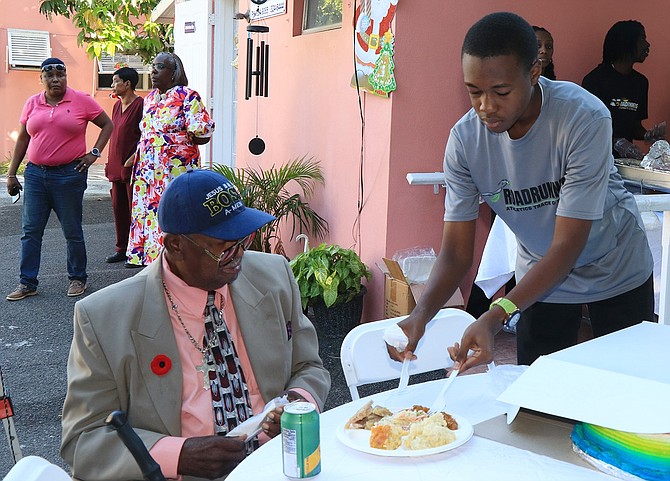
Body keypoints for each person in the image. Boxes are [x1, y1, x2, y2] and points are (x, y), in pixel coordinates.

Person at [387, 12, 654, 373]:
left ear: (533, 73)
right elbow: (456, 252)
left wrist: (495, 315)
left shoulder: (583, 118)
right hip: (541, 283)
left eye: (500, 92)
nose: (486, 107)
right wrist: (421, 314)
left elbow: (567, 246)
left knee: (625, 399)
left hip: (616, 270)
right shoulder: (465, 142)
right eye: (474, 92)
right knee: (538, 405)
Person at [61, 168, 330, 480]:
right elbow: (83, 440)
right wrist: (177, 455)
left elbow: (309, 366)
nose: (239, 256)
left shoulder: (274, 276)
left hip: (278, 463)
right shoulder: (105, 317)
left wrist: (296, 403)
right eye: (224, 248)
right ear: (175, 246)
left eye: (244, 239)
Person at [5, 57, 113, 301]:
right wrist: (12, 173)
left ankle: (77, 278)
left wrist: (93, 153)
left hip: (69, 175)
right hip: (35, 175)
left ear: (66, 76)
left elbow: (107, 124)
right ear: (41, 78)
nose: (56, 79)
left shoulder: (81, 100)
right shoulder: (32, 103)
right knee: (30, 231)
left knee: (72, 230)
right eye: (50, 75)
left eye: (61, 74)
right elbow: (23, 139)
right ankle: (27, 283)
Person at [126, 51, 215, 268]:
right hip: (147, 169)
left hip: (174, 169)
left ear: (174, 72)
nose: (154, 71)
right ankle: (148, 258)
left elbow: (202, 134)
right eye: (153, 67)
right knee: (147, 211)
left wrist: (181, 142)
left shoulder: (187, 95)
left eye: (160, 67)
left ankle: (176, 260)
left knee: (173, 210)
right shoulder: (149, 99)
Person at [582, 20, 665, 150]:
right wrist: (616, 142)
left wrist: (648, 135)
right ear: (626, 42)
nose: (647, 44)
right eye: (642, 38)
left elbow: (635, 128)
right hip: (596, 157)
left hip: (624, 162)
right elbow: (586, 129)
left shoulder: (640, 82)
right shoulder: (594, 80)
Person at [105, 67, 143, 264]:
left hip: (132, 166)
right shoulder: (116, 106)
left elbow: (145, 137)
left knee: (133, 208)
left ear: (127, 84)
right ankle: (121, 248)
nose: (113, 85)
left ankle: (136, 250)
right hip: (115, 165)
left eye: (115, 81)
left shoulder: (141, 105)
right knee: (118, 208)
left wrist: (132, 159)